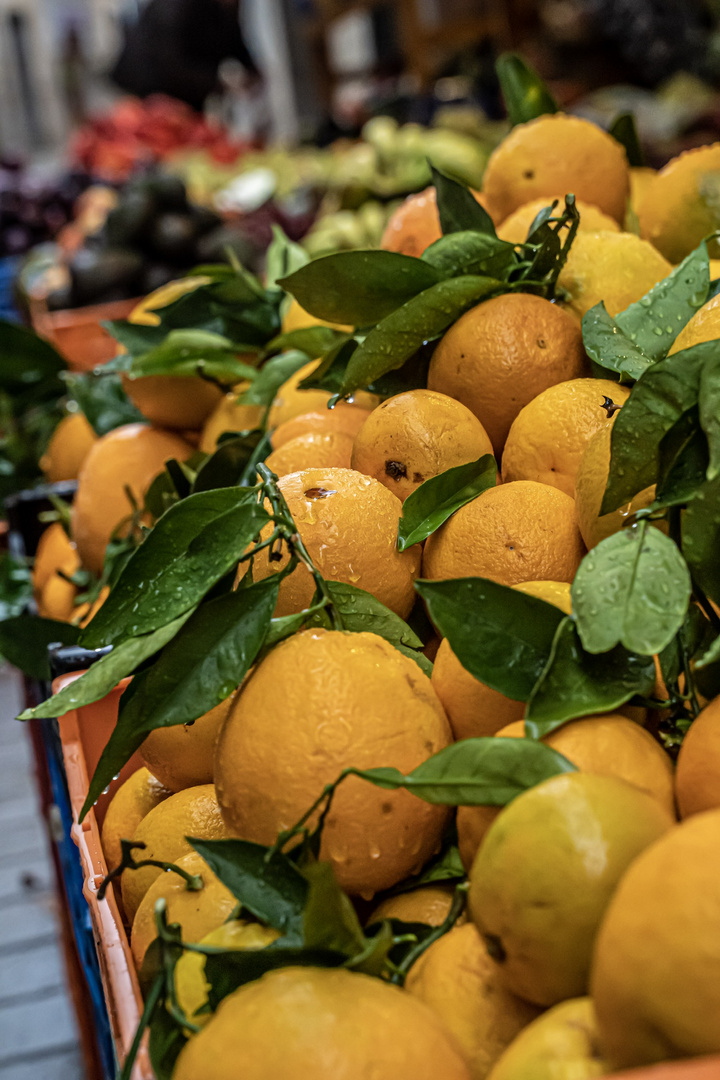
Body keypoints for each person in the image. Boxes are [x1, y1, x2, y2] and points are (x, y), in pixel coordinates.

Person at [111, 0, 261, 113]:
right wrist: (216, 83)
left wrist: (254, 72)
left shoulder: (225, 10)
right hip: (150, 90)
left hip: (184, 91)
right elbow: (170, 64)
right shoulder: (178, 8)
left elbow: (235, 43)